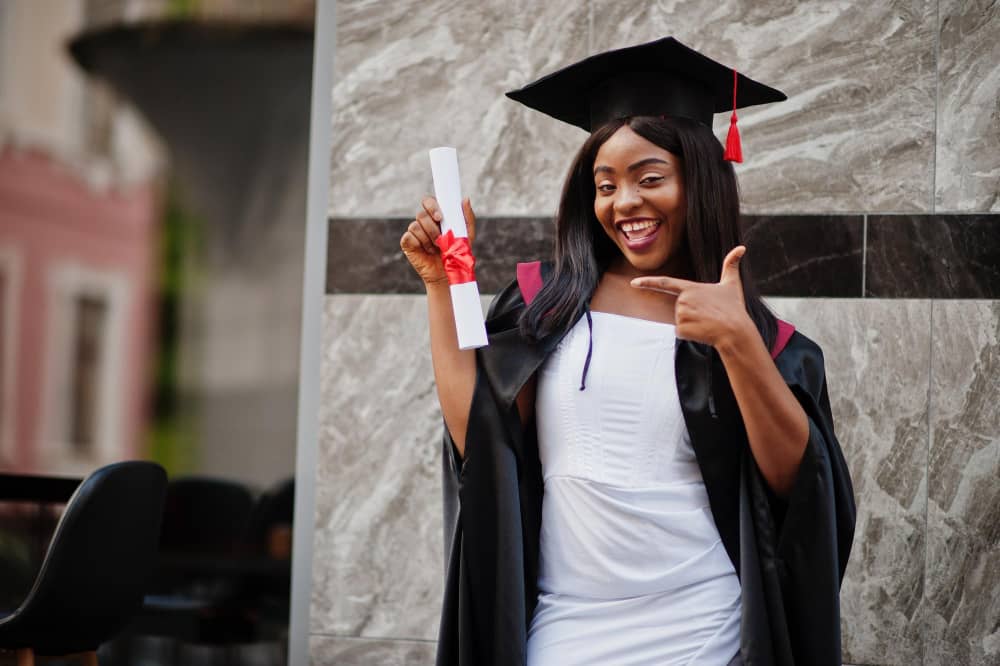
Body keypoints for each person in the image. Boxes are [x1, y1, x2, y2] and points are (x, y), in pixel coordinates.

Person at [400, 37, 856, 666]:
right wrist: (442, 280)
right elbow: (480, 435)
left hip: (702, 633)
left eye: (650, 179)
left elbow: (798, 490)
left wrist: (738, 343)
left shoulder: (764, 340)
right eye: (605, 184)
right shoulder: (546, 305)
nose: (625, 203)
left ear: (700, 180)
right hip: (567, 627)